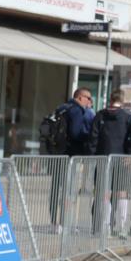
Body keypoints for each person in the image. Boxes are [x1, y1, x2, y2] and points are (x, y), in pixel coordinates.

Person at [88, 91, 131, 235]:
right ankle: (121, 227)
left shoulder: (100, 115)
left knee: (104, 193)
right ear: (122, 100)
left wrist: (92, 156)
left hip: (103, 159)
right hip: (122, 159)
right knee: (121, 193)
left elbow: (93, 137)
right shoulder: (128, 116)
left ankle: (105, 227)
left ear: (111, 99)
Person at [47, 88, 95, 228]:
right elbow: (75, 133)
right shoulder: (77, 110)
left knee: (56, 188)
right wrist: (89, 136)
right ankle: (65, 222)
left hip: (56, 152)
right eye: (88, 98)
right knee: (69, 189)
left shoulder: (61, 108)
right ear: (80, 97)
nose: (89, 101)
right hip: (71, 154)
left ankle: (54, 222)